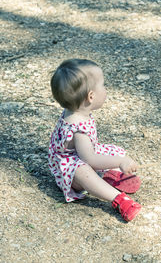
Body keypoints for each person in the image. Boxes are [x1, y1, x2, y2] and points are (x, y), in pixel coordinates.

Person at [48, 59, 141, 222]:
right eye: (103, 86)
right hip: (70, 169)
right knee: (84, 172)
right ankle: (118, 199)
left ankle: (104, 178)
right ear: (91, 96)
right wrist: (120, 161)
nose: (105, 90)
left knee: (109, 151)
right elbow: (89, 158)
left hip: (80, 154)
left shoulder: (73, 108)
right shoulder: (78, 128)